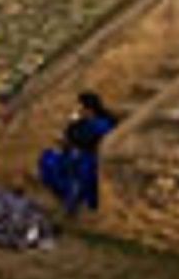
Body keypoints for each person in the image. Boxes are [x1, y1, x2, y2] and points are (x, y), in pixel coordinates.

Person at [36, 90, 119, 219]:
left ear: (89, 109)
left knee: (80, 169)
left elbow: (90, 140)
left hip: (89, 157)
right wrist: (72, 125)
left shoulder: (101, 123)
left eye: (81, 107)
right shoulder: (81, 121)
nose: (79, 110)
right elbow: (70, 135)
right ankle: (65, 193)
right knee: (48, 159)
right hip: (74, 153)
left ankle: (75, 199)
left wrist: (74, 143)